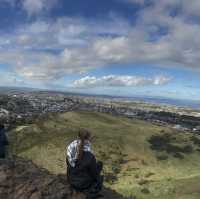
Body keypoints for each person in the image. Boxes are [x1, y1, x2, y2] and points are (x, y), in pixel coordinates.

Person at [66, 128, 103, 199]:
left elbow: (69, 164)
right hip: (82, 184)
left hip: (70, 179)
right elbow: (94, 173)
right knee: (99, 167)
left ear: (78, 136)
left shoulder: (70, 148)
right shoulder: (89, 156)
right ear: (88, 138)